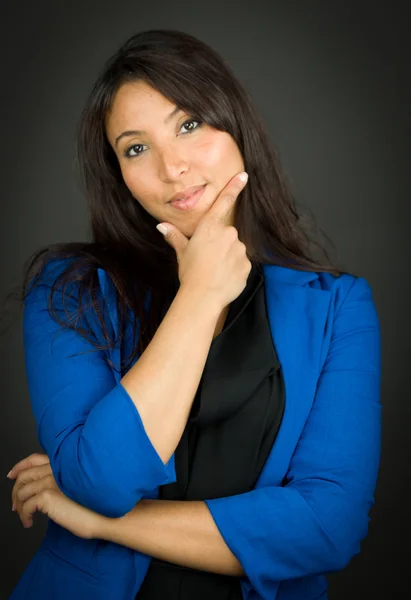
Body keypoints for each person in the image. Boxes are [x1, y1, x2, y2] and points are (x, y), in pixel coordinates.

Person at [4, 29, 381, 600]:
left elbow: (328, 527)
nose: (172, 167)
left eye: (188, 125)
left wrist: (105, 522)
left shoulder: (335, 306)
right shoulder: (70, 290)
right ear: (119, 175)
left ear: (236, 127)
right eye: (136, 148)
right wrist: (201, 293)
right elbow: (105, 481)